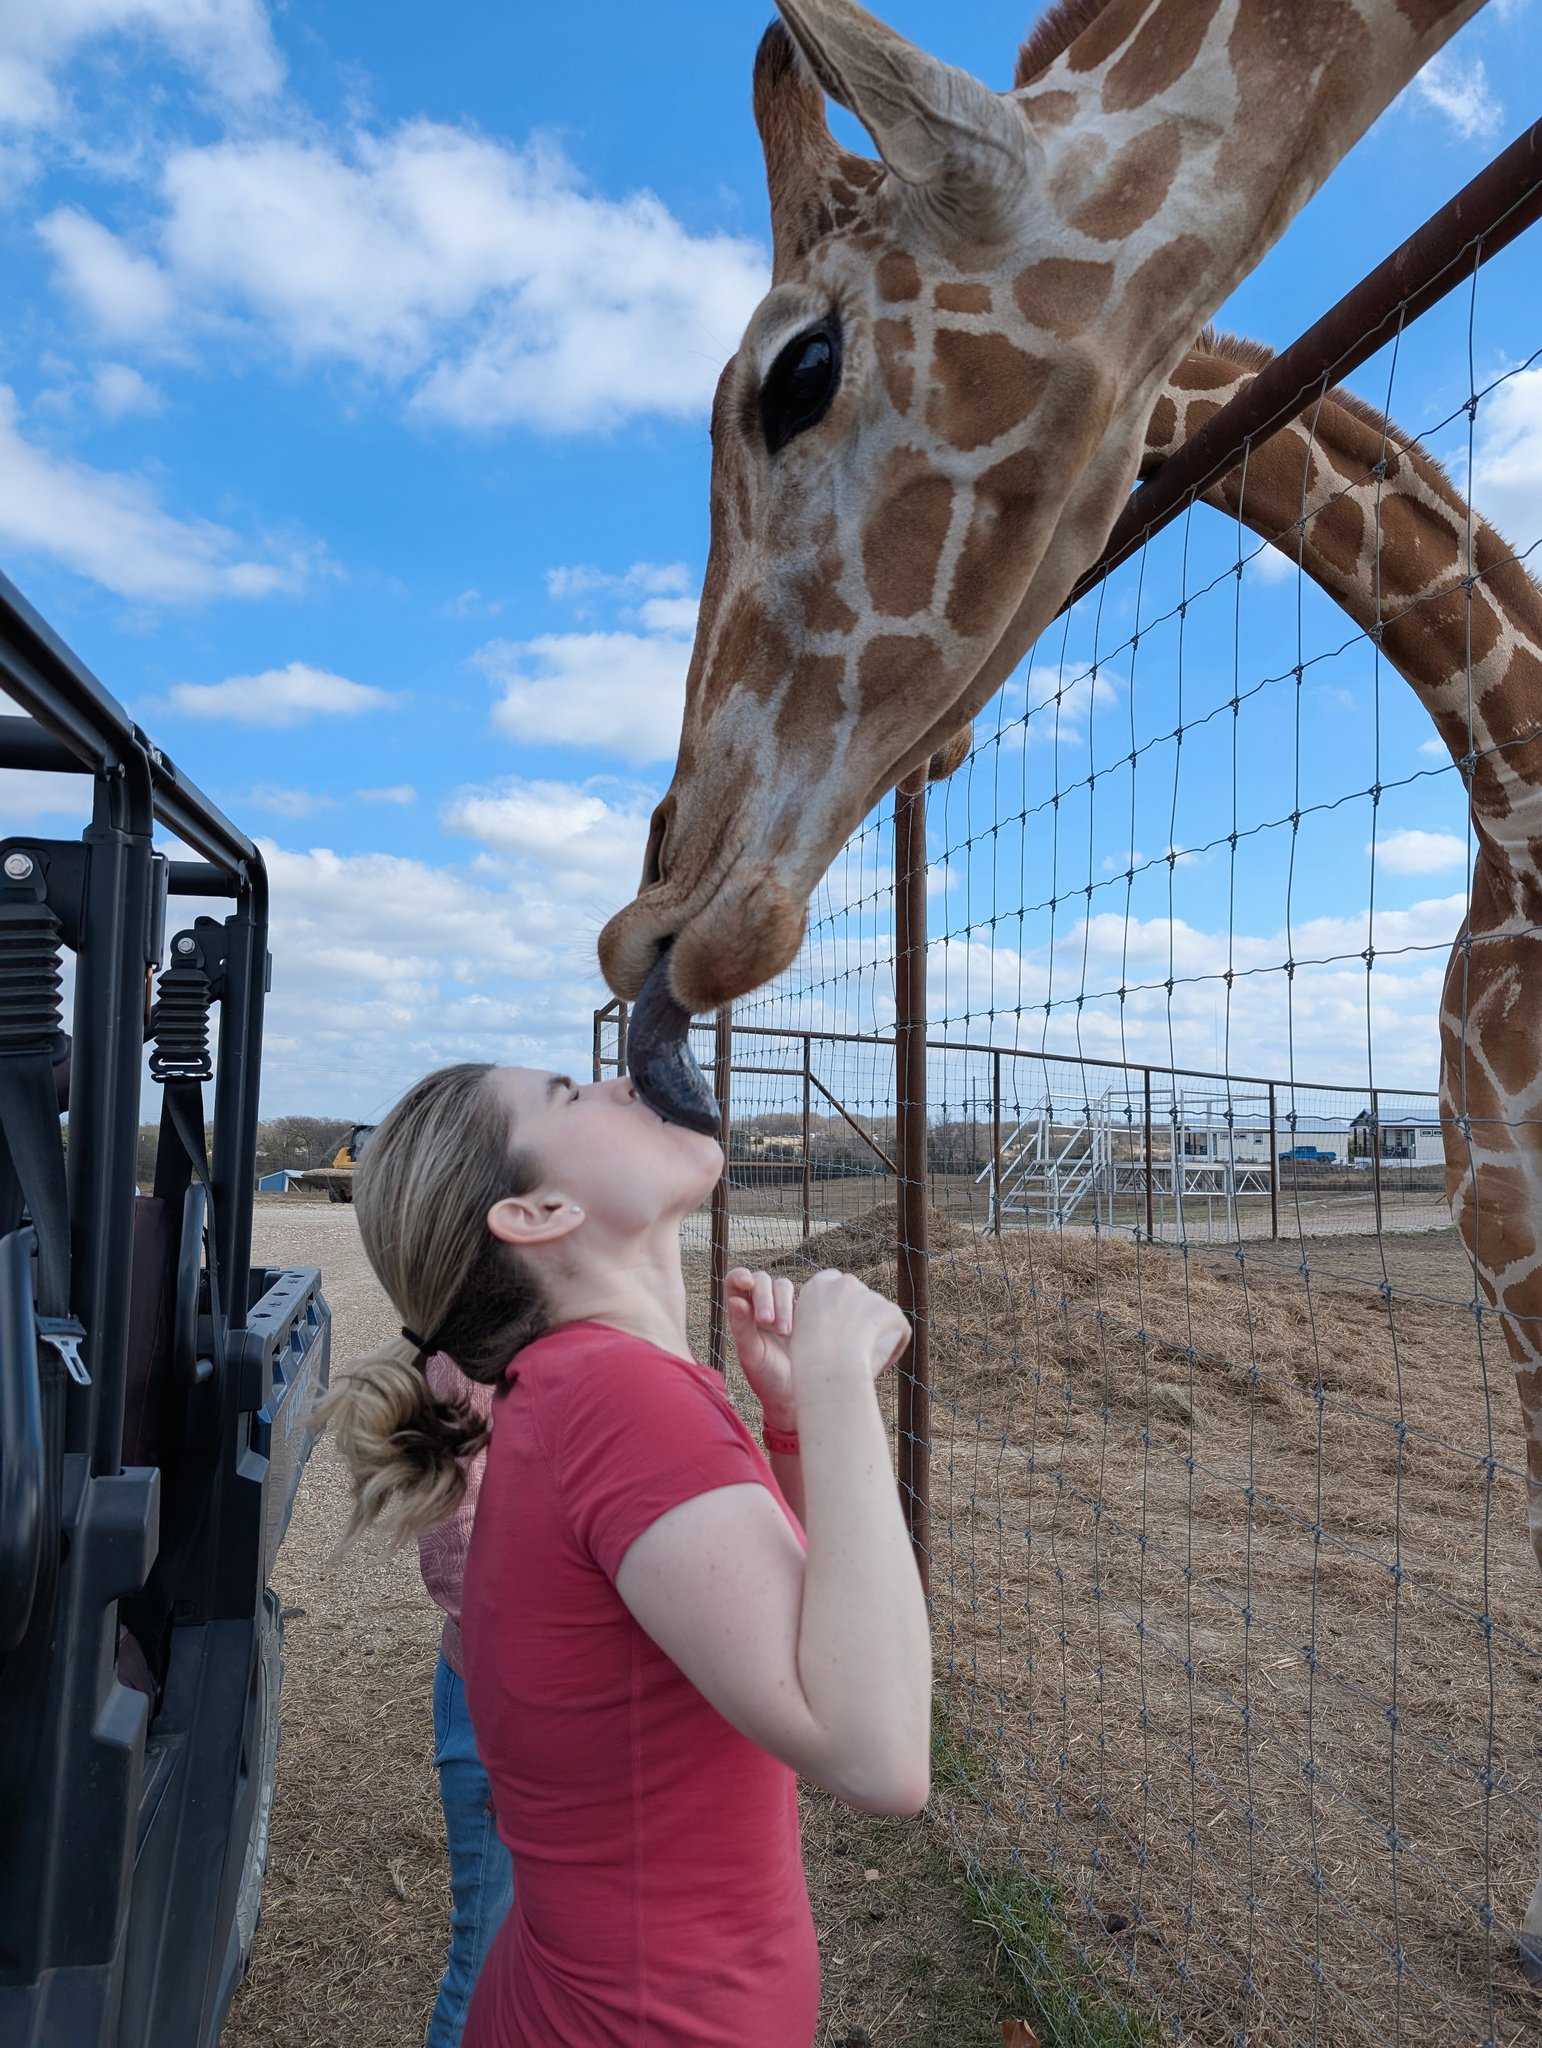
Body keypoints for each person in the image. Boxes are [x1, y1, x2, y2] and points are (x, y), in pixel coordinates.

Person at [321, 1062, 932, 2048]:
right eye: (567, 1095)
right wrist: (832, 1383)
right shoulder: (619, 1398)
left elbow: (790, 1638)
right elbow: (879, 1754)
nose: (616, 1078)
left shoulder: (572, 1385)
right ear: (537, 1211)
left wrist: (786, 1425)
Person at [416, 1353, 514, 2046]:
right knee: (484, 1963)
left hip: (525, 1700)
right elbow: (457, 1563)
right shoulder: (467, 1365)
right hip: (499, 1703)